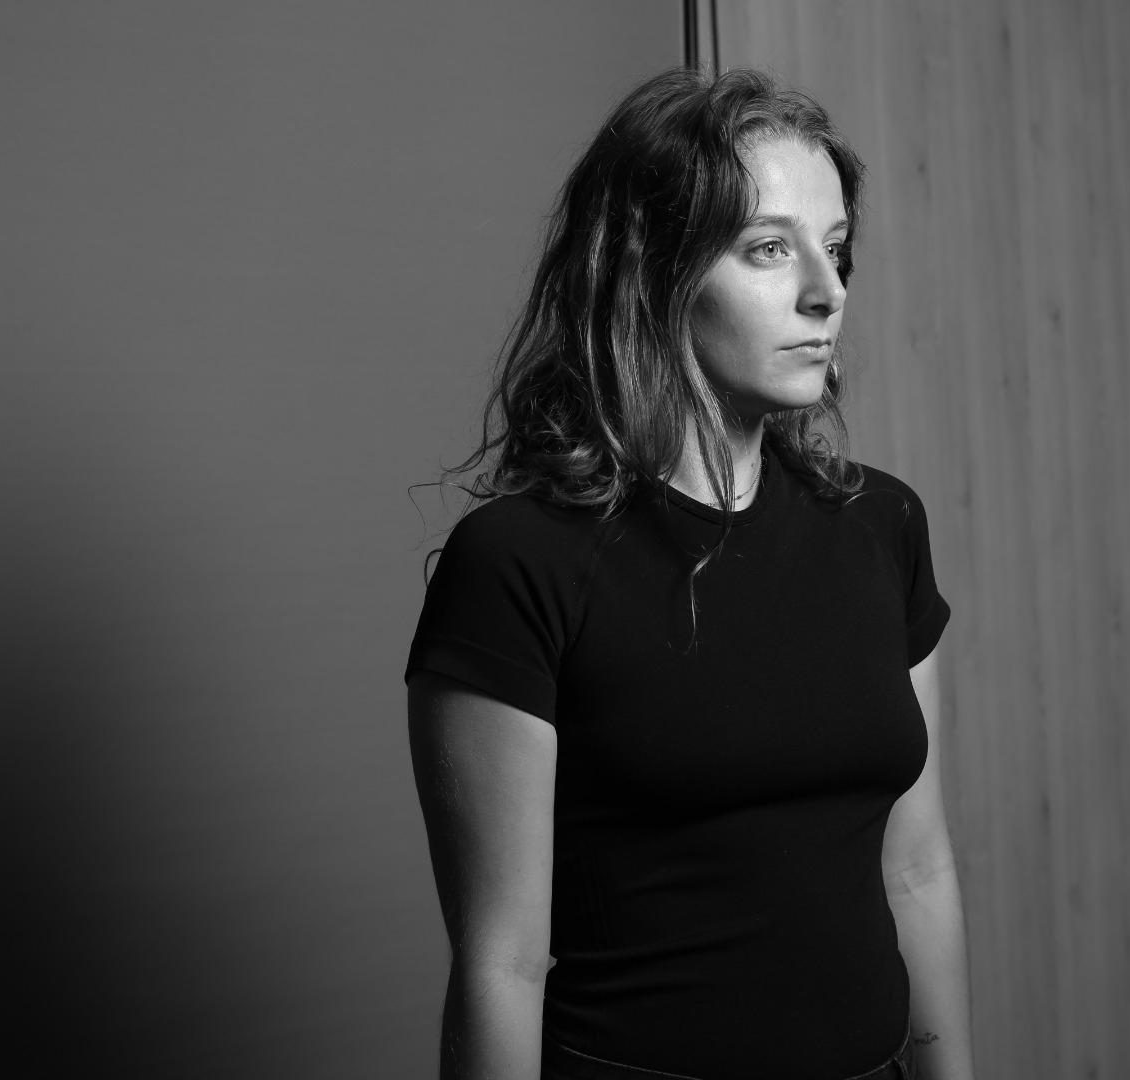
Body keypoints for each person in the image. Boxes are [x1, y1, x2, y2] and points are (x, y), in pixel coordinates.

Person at [405, 67, 975, 1080]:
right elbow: (502, 962)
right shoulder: (521, 564)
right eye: (769, 249)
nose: (827, 290)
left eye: (836, 247)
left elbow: (918, 870)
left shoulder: (881, 526)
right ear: (651, 271)